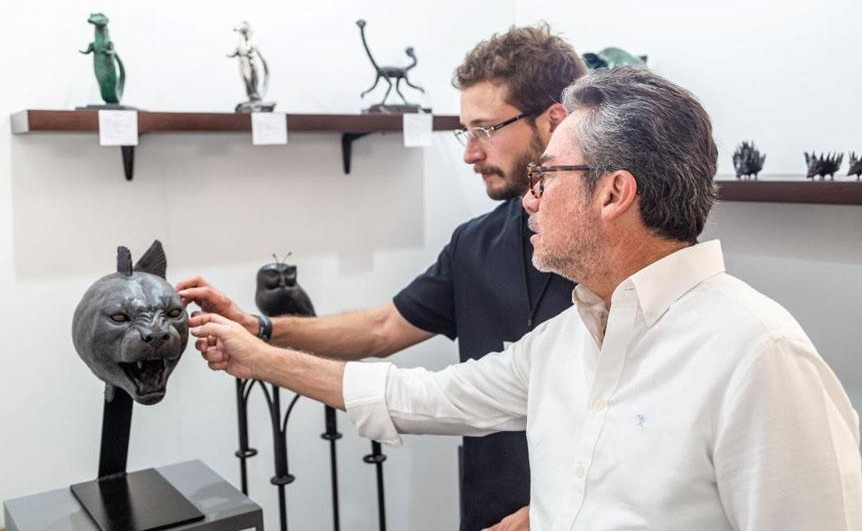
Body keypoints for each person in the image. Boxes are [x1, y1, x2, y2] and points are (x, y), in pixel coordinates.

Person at [191, 67, 862, 530]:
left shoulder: (758, 354)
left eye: (547, 175)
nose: (530, 197)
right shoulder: (567, 338)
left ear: (613, 193)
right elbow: (418, 397)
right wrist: (257, 354)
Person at [178, 24, 588, 531]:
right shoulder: (474, 244)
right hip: (488, 510)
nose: (469, 153)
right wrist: (261, 329)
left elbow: (641, 420)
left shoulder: (615, 254)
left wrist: (546, 511)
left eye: (485, 129)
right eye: (465, 132)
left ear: (555, 121)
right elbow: (383, 330)